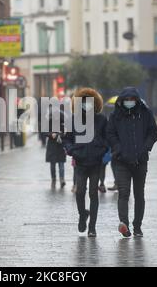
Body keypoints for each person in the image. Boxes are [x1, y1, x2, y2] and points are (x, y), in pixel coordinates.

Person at [106, 87, 157, 238]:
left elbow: (153, 132)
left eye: (132, 100)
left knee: (139, 194)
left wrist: (146, 148)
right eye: (126, 100)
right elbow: (110, 133)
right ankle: (124, 224)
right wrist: (118, 148)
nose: (129, 102)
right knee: (123, 193)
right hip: (121, 161)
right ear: (122, 101)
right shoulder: (115, 116)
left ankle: (137, 226)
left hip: (140, 161)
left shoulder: (145, 113)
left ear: (136, 100)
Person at [63, 88, 108, 238]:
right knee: (80, 191)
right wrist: (72, 151)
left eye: (89, 102)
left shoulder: (101, 120)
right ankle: (82, 215)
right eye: (83, 102)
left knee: (93, 194)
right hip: (80, 162)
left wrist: (101, 149)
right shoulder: (73, 120)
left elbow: (107, 138)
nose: (86, 105)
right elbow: (67, 139)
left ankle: (92, 227)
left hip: (96, 162)